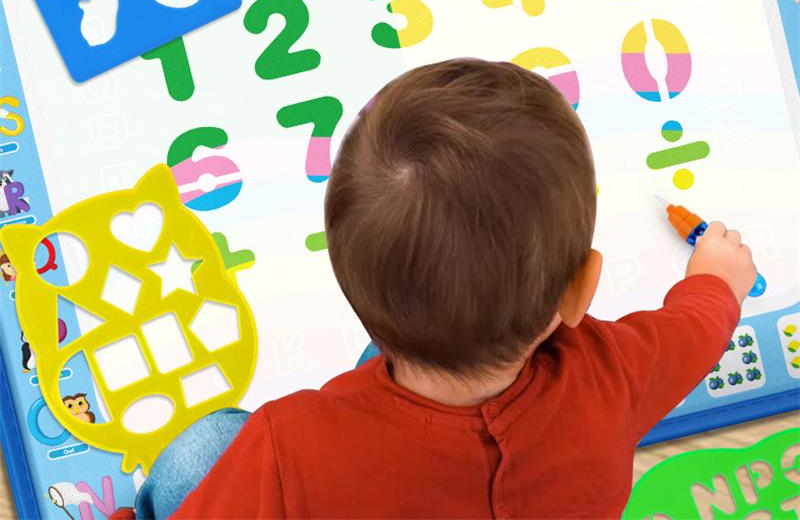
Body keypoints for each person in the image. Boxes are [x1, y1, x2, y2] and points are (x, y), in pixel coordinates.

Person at [137, 59, 753, 519]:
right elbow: (694, 330)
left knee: (206, 448)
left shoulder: (284, 448)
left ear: (350, 288)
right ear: (579, 291)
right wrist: (717, 278)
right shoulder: (609, 375)